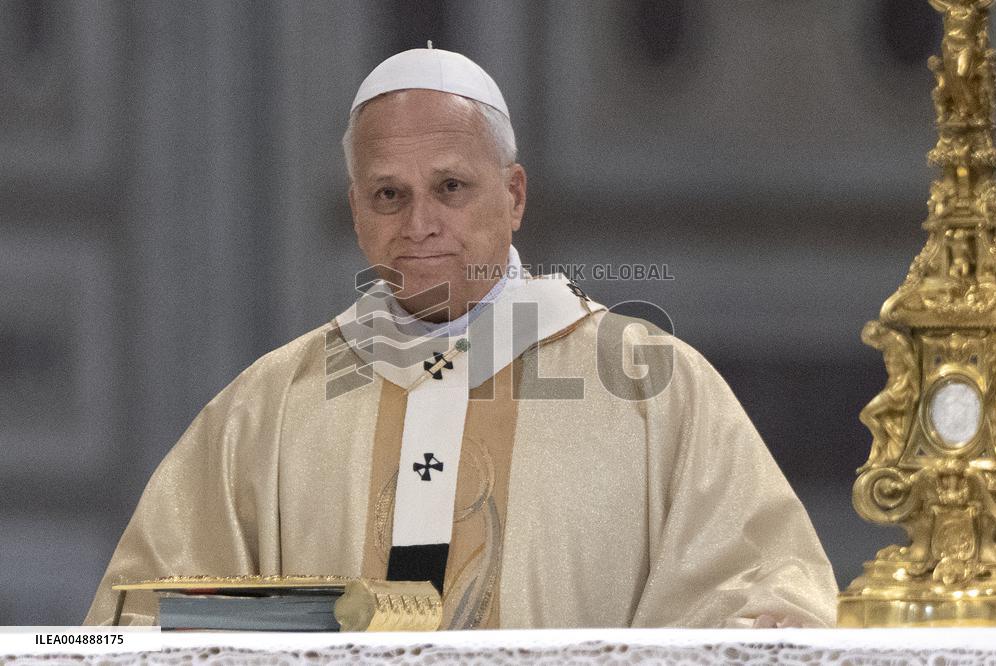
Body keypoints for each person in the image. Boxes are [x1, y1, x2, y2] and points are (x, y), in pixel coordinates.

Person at [85, 47, 837, 629]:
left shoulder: (651, 386)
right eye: (389, 195)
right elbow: (148, 618)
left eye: (450, 187)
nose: (419, 224)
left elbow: (766, 596)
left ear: (512, 196)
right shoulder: (269, 410)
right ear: (355, 210)